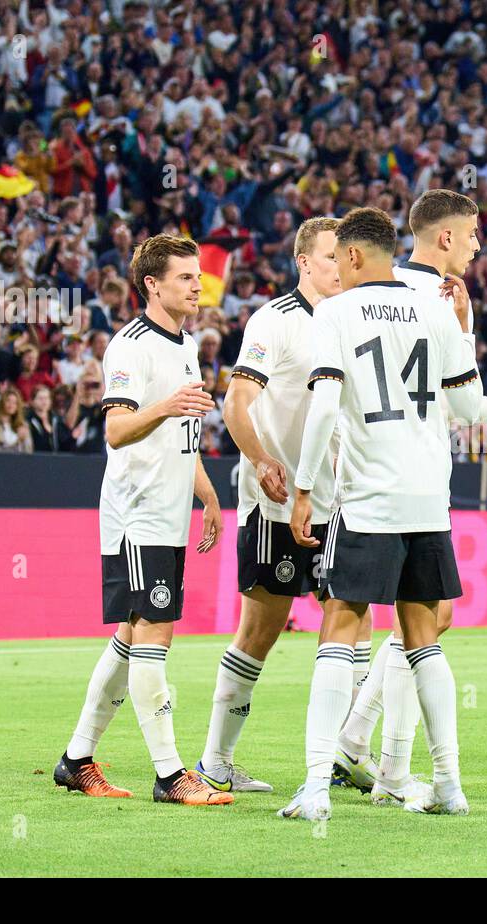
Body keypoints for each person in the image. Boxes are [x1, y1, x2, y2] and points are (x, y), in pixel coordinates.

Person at [334, 189, 487, 804]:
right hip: (396, 479)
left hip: (396, 475)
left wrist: (467, 328)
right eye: (472, 234)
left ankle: (355, 750)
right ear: (444, 237)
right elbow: (462, 407)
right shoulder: (422, 301)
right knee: (414, 621)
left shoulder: (401, 296)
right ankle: (383, 765)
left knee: (421, 620)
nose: (477, 244)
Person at [282, 207, 483, 821]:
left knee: (341, 627)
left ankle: (317, 783)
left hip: (368, 500)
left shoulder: (335, 312)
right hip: (428, 500)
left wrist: (306, 488)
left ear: (349, 257)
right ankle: (448, 784)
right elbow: (470, 409)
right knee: (424, 637)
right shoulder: (437, 308)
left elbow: (322, 410)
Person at [52, 234, 230, 807]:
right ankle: (172, 775)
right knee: (155, 634)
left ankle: (77, 759)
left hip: (170, 510)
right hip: (137, 515)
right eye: (185, 277)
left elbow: (183, 435)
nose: (197, 285)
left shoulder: (185, 345)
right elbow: (117, 430)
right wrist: (168, 405)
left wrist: (205, 494)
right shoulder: (129, 347)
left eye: (197, 275)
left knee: (131, 636)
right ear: (152, 284)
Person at [190, 217, 346, 796]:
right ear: (305, 261)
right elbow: (237, 401)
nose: (341, 266)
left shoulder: (349, 322)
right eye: (331, 257)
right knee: (261, 628)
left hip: (339, 503)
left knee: (352, 621)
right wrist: (259, 460)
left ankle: (344, 754)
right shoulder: (274, 320)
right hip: (275, 501)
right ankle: (215, 759)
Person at [27, 385, 75, 451]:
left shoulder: (56, 419)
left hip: (55, 459)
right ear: (32, 401)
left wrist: (73, 437)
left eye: (46, 398)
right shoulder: (28, 420)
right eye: (40, 398)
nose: (44, 401)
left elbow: (64, 443)